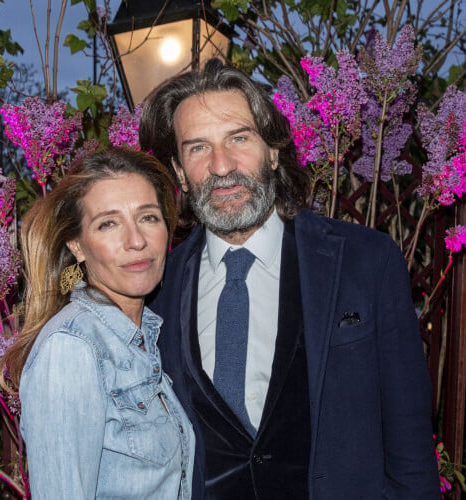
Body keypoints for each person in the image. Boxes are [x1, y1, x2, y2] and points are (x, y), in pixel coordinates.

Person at [139, 59, 440, 499]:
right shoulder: (156, 292)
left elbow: (410, 446)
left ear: (274, 151)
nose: (222, 166)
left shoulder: (366, 263)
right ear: (181, 172)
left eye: (238, 138)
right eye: (198, 148)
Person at [0, 148, 195, 499]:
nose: (136, 241)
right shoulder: (71, 348)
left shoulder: (144, 336)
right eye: (108, 223)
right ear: (77, 245)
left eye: (148, 217)